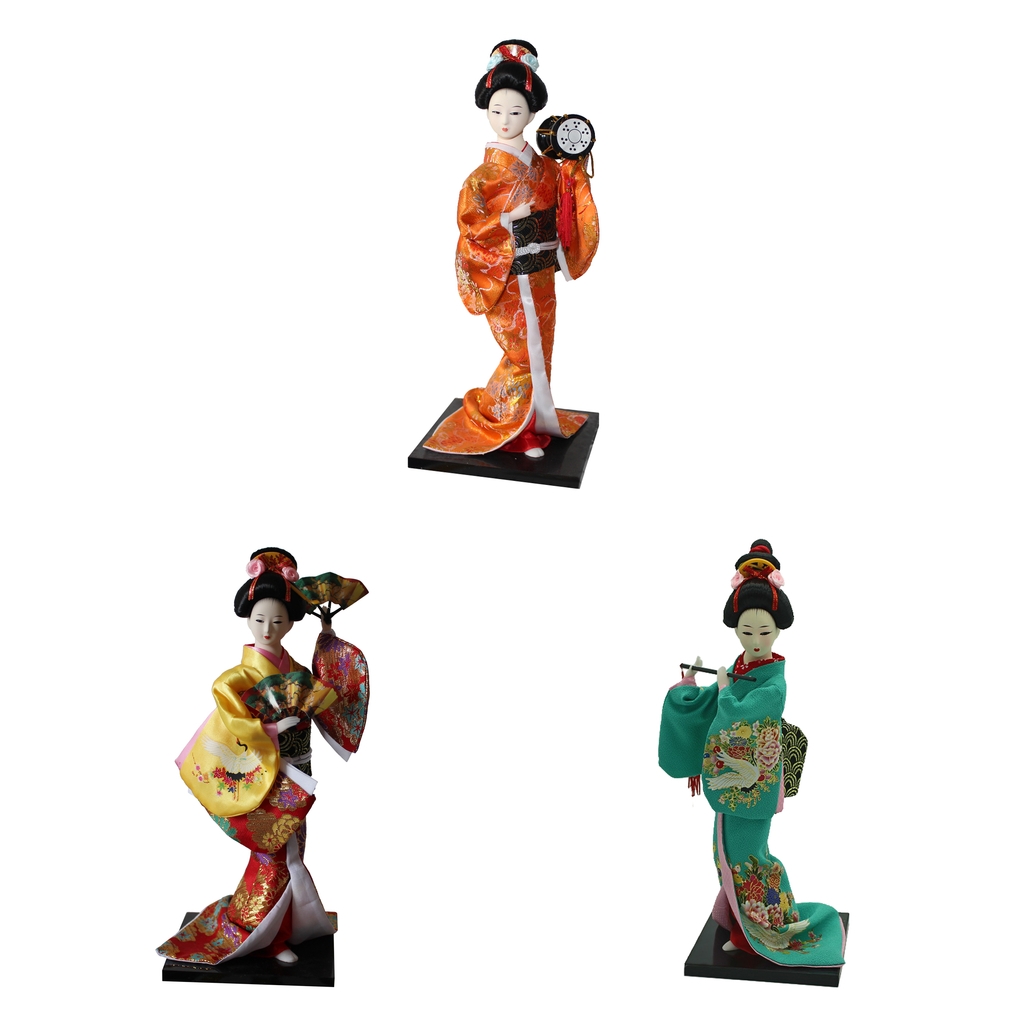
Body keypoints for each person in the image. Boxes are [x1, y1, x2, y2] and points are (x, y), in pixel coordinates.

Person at [659, 540, 846, 967]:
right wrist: (690, 688)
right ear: (736, 630)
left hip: (755, 786)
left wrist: (726, 691)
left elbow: (745, 709)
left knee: (747, 856)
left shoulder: (774, 681)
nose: (756, 640)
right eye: (747, 632)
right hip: (732, 787)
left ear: (777, 630)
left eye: (764, 632)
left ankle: (765, 932)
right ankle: (740, 926)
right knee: (725, 853)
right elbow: (715, 701)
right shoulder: (742, 667)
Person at [157, 548, 342, 965]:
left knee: (295, 847)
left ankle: (287, 926)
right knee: (273, 851)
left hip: (299, 767)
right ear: (247, 620)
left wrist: (327, 637)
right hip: (265, 772)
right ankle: (263, 933)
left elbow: (320, 688)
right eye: (259, 620)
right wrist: (272, 730)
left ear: (290, 624)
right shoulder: (238, 677)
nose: (267, 629)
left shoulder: (293, 667)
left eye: (277, 621)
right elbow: (230, 712)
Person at [423, 39, 599, 458]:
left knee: (542, 349)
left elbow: (566, 197)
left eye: (516, 112)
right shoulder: (482, 178)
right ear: (486, 111)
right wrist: (506, 220)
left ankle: (536, 420)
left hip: (540, 273)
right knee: (522, 352)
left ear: (533, 115)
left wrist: (574, 168)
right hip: (508, 275)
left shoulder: (543, 166)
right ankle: (511, 427)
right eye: (497, 111)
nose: (505, 120)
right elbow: (470, 228)